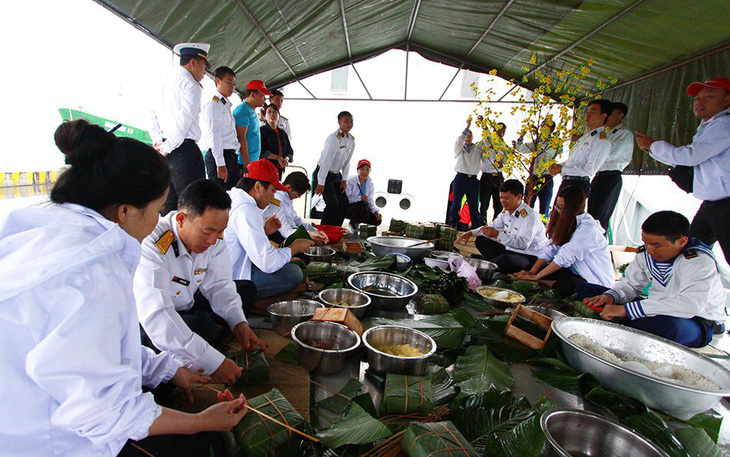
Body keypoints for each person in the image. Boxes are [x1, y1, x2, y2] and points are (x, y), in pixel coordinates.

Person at [0, 120, 247, 457]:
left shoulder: (42, 229)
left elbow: (95, 350)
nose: (158, 219)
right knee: (205, 444)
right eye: (158, 210)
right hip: (40, 439)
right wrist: (202, 421)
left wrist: (168, 368)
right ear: (127, 211)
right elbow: (105, 415)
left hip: (27, 409)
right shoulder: (93, 274)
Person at [134, 179, 266, 386]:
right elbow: (158, 314)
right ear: (181, 219)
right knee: (200, 326)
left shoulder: (214, 242)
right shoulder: (154, 243)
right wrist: (213, 363)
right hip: (153, 319)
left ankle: (204, 332)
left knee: (245, 290)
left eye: (220, 232)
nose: (213, 240)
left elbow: (220, 285)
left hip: (189, 300)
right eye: (207, 231)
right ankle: (201, 336)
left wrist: (239, 323)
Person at [583, 211, 726, 348]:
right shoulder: (646, 254)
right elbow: (631, 285)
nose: (650, 250)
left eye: (657, 245)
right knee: (586, 290)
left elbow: (689, 304)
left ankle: (620, 323)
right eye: (646, 243)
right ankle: (619, 317)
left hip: (695, 321)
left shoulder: (699, 262)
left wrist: (626, 310)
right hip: (655, 309)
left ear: (682, 241)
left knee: (667, 327)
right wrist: (611, 296)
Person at [636, 77, 730, 265]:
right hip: (713, 204)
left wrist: (653, 146)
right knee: (690, 252)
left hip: (725, 205)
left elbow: (690, 156)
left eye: (709, 96)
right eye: (697, 98)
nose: (700, 101)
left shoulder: (723, 124)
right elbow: (686, 158)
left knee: (692, 251)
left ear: (727, 100)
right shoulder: (709, 126)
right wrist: (651, 148)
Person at [226, 159, 315, 300]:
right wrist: (294, 247)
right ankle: (243, 298)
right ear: (258, 186)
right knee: (294, 273)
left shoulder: (234, 198)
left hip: (232, 268)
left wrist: (264, 230)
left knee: (286, 262)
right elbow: (268, 263)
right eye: (272, 190)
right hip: (233, 281)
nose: (273, 197)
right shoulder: (246, 210)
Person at [514, 186, 614, 298]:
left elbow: (565, 257)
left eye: (562, 208)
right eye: (557, 207)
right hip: (574, 272)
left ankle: (542, 283)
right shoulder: (567, 222)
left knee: (569, 286)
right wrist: (532, 272)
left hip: (593, 280)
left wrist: (537, 277)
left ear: (572, 208)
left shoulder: (589, 229)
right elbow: (550, 249)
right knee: (530, 267)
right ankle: (541, 281)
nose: (559, 211)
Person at [149, 42, 210, 214]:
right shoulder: (190, 84)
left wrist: (159, 143)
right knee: (192, 205)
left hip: (166, 150)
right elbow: (184, 121)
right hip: (184, 151)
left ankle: (168, 241)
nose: (204, 72)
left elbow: (151, 115)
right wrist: (167, 147)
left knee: (169, 205)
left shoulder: (163, 82)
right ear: (193, 63)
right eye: (203, 66)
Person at [456, 179, 548, 273]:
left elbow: (523, 244)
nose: (502, 201)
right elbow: (490, 228)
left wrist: (497, 235)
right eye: (501, 198)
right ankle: (493, 262)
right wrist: (471, 233)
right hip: (509, 250)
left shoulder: (530, 216)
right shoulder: (506, 212)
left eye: (507, 198)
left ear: (519, 197)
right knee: (481, 240)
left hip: (529, 257)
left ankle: (490, 262)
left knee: (506, 260)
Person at [549, 99, 612, 198]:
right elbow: (573, 160)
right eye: (587, 111)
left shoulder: (601, 140)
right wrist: (559, 167)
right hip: (567, 181)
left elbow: (589, 170)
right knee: (556, 212)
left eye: (593, 112)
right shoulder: (586, 136)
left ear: (603, 116)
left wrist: (562, 169)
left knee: (568, 213)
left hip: (577, 185)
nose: (588, 115)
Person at [588, 102, 634, 231]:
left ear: (620, 116)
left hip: (610, 177)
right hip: (598, 176)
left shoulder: (623, 134)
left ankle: (598, 249)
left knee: (600, 218)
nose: (606, 117)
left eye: (610, 114)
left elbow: (610, 154)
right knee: (590, 216)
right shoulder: (605, 134)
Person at [201, 66, 241, 190]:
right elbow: (214, 134)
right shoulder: (214, 104)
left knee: (229, 195)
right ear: (218, 81)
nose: (232, 87)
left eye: (234, 84)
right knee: (218, 198)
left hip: (229, 156)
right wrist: (220, 163)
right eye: (229, 82)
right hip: (220, 156)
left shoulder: (225, 105)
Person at [313, 111, 356, 226]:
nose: (349, 124)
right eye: (346, 121)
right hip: (324, 173)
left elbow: (347, 161)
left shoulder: (351, 140)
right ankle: (323, 230)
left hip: (336, 175)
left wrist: (344, 179)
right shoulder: (333, 139)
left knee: (344, 204)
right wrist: (321, 183)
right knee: (332, 204)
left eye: (351, 121)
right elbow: (326, 162)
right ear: (339, 122)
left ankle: (336, 229)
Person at [261, 171, 329, 244]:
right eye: (297, 194)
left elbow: (296, 220)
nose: (274, 195)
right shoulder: (279, 199)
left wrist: (314, 230)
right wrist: (310, 234)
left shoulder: (283, 198)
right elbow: (287, 232)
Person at [515, 121, 559, 217]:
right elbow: (520, 148)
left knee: (545, 207)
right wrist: (521, 137)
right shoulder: (535, 143)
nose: (544, 129)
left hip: (546, 177)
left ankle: (542, 228)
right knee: (527, 205)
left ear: (551, 130)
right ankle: (523, 226)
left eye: (547, 127)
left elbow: (558, 155)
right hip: (533, 178)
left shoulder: (555, 143)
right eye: (543, 126)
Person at [449, 117, 483, 229]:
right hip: (461, 177)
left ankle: (476, 228)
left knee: (474, 205)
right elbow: (459, 141)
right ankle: (453, 225)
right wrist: (467, 127)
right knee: (456, 203)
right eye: (466, 135)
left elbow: (487, 140)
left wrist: (483, 124)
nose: (468, 137)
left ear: (472, 137)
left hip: (473, 179)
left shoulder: (478, 148)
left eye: (469, 135)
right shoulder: (459, 148)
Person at [233, 80, 271, 169]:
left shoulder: (252, 110)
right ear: (253, 95)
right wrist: (247, 163)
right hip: (243, 163)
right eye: (262, 96)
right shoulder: (243, 111)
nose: (265, 99)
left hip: (253, 161)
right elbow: (241, 137)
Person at [479, 122, 506, 222]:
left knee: (499, 203)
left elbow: (506, 160)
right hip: (487, 176)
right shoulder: (487, 141)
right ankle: (482, 223)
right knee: (484, 202)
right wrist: (483, 125)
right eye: (499, 130)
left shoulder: (504, 145)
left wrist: (502, 164)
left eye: (503, 131)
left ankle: (497, 223)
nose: (500, 133)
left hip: (498, 176)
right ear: (494, 130)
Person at [345, 159, 382, 229]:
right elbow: (346, 199)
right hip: (349, 208)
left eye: (367, 170)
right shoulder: (350, 180)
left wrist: (375, 212)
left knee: (377, 220)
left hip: (363, 207)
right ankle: (353, 223)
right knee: (362, 204)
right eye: (362, 169)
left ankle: (358, 222)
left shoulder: (370, 184)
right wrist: (360, 198)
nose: (365, 172)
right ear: (357, 170)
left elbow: (370, 201)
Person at [260, 103, 293, 177]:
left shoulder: (282, 133)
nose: (272, 114)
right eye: (269, 112)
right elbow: (261, 151)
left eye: (275, 112)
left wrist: (286, 159)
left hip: (279, 168)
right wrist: (277, 158)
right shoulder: (261, 131)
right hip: (266, 168)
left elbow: (290, 150)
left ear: (279, 117)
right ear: (265, 116)